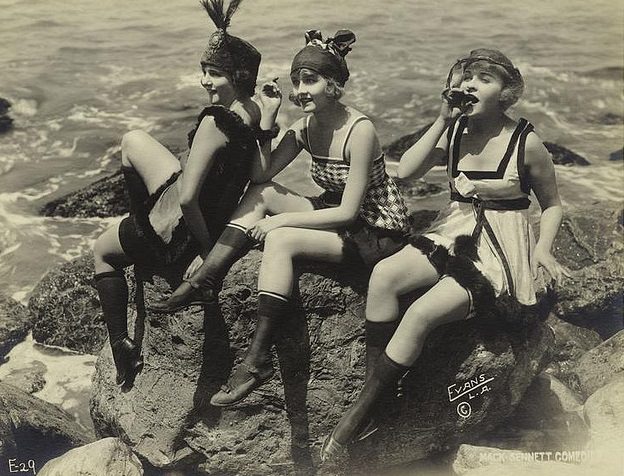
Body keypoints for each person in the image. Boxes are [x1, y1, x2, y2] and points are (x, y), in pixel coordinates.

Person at [321, 48, 571, 460]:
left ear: (506, 92)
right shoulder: (453, 130)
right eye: (466, 77)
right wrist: (441, 119)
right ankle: (376, 394)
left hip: (500, 246)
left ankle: (356, 419)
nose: (471, 84)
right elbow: (405, 171)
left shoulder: (526, 142)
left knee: (421, 312)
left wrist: (543, 248)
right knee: (384, 274)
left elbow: (553, 202)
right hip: (452, 229)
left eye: (485, 79)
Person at [150, 29, 410, 407]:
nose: (301, 89)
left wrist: (279, 222)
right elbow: (261, 177)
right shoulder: (305, 126)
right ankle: (208, 277)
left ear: (334, 85)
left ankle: (256, 360)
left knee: (280, 239)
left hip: (374, 230)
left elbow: (350, 211)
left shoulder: (360, 130)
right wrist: (268, 120)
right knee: (261, 196)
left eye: (311, 80)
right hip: (334, 214)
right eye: (297, 81)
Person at [93, 0, 268, 387]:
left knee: (101, 253)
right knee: (133, 139)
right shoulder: (252, 111)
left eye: (216, 74)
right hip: (213, 207)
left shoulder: (213, 121)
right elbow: (257, 173)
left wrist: (206, 250)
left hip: (183, 229)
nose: (206, 81)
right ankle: (141, 216)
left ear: (238, 76)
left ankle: (122, 346)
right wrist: (269, 126)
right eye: (204, 72)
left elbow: (187, 200)